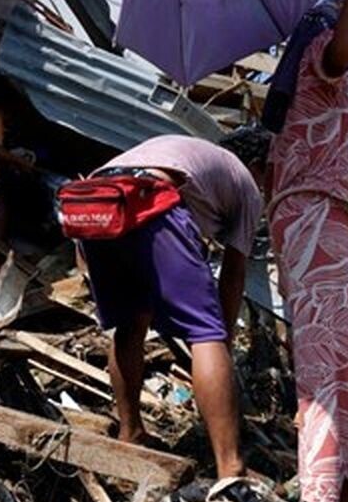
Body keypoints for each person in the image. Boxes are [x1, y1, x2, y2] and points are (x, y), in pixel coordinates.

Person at [266, 0, 348, 502]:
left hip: (326, 223)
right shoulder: (321, 56)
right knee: (328, 361)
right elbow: (344, 47)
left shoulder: (319, 93)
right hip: (313, 222)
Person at [76, 131, 268, 483]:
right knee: (205, 332)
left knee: (131, 322)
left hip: (94, 204)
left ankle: (130, 432)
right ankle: (231, 466)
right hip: (148, 198)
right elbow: (234, 273)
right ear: (257, 165)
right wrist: (220, 340)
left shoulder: (186, 150)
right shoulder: (246, 183)